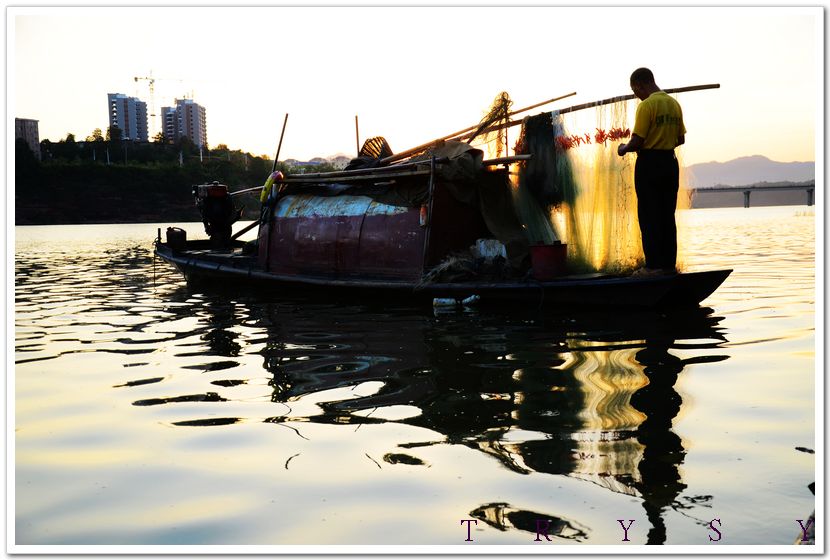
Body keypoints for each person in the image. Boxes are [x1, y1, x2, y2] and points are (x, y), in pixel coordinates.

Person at [617, 68, 686, 276]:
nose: (636, 95)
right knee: (666, 215)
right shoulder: (674, 104)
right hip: (669, 164)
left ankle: (653, 267)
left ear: (640, 84)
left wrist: (623, 148)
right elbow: (680, 139)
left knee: (649, 215)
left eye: (634, 90)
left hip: (649, 164)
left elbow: (637, 141)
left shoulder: (647, 106)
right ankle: (667, 266)